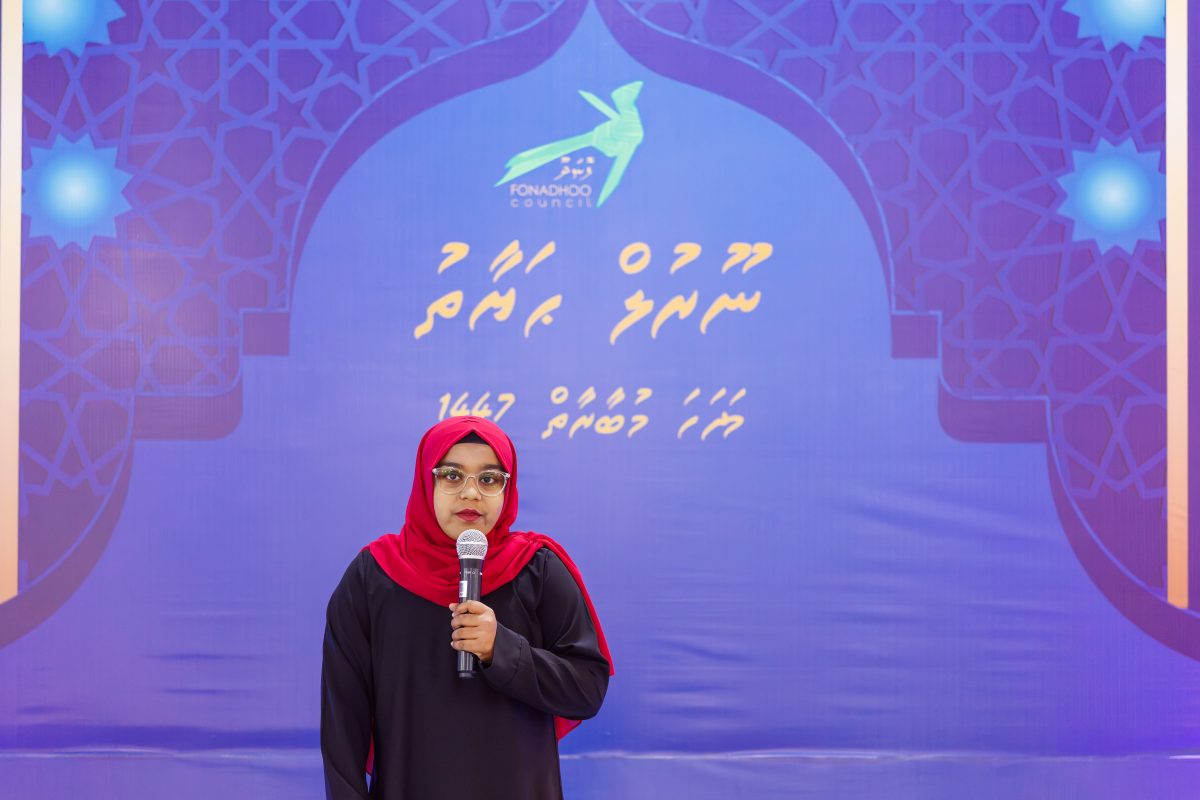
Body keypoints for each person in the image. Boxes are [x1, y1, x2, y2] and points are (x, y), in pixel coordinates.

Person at [321, 416, 613, 799]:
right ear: (426, 482)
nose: (471, 493)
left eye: (489, 479)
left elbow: (587, 689)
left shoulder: (536, 569)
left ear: (508, 488)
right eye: (452, 475)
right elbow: (342, 726)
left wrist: (501, 650)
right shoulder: (374, 576)